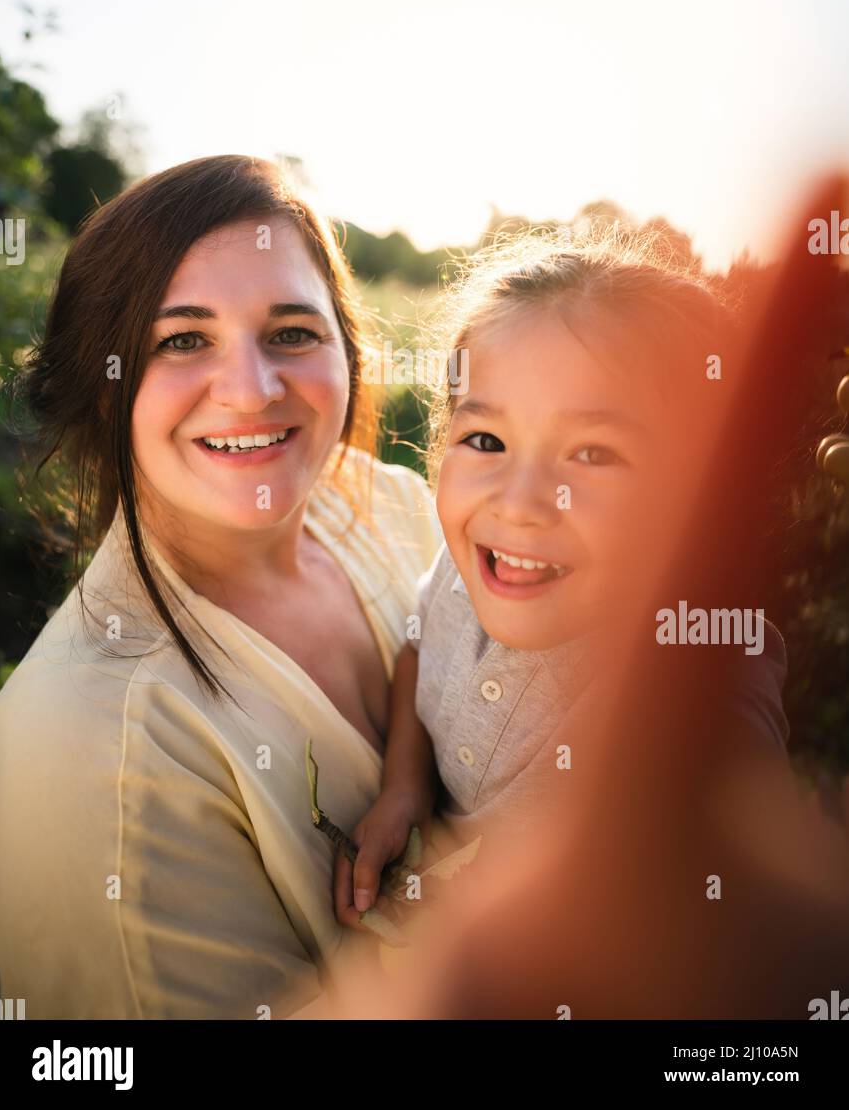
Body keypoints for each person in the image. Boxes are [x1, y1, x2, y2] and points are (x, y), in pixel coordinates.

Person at [0, 155, 440, 1019]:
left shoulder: (394, 505)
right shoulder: (94, 749)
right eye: (182, 339)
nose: (250, 391)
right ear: (100, 383)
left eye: (293, 332)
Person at [334, 226, 791, 929]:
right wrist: (403, 787)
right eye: (484, 440)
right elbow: (418, 651)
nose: (517, 504)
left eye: (593, 454)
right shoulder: (464, 574)